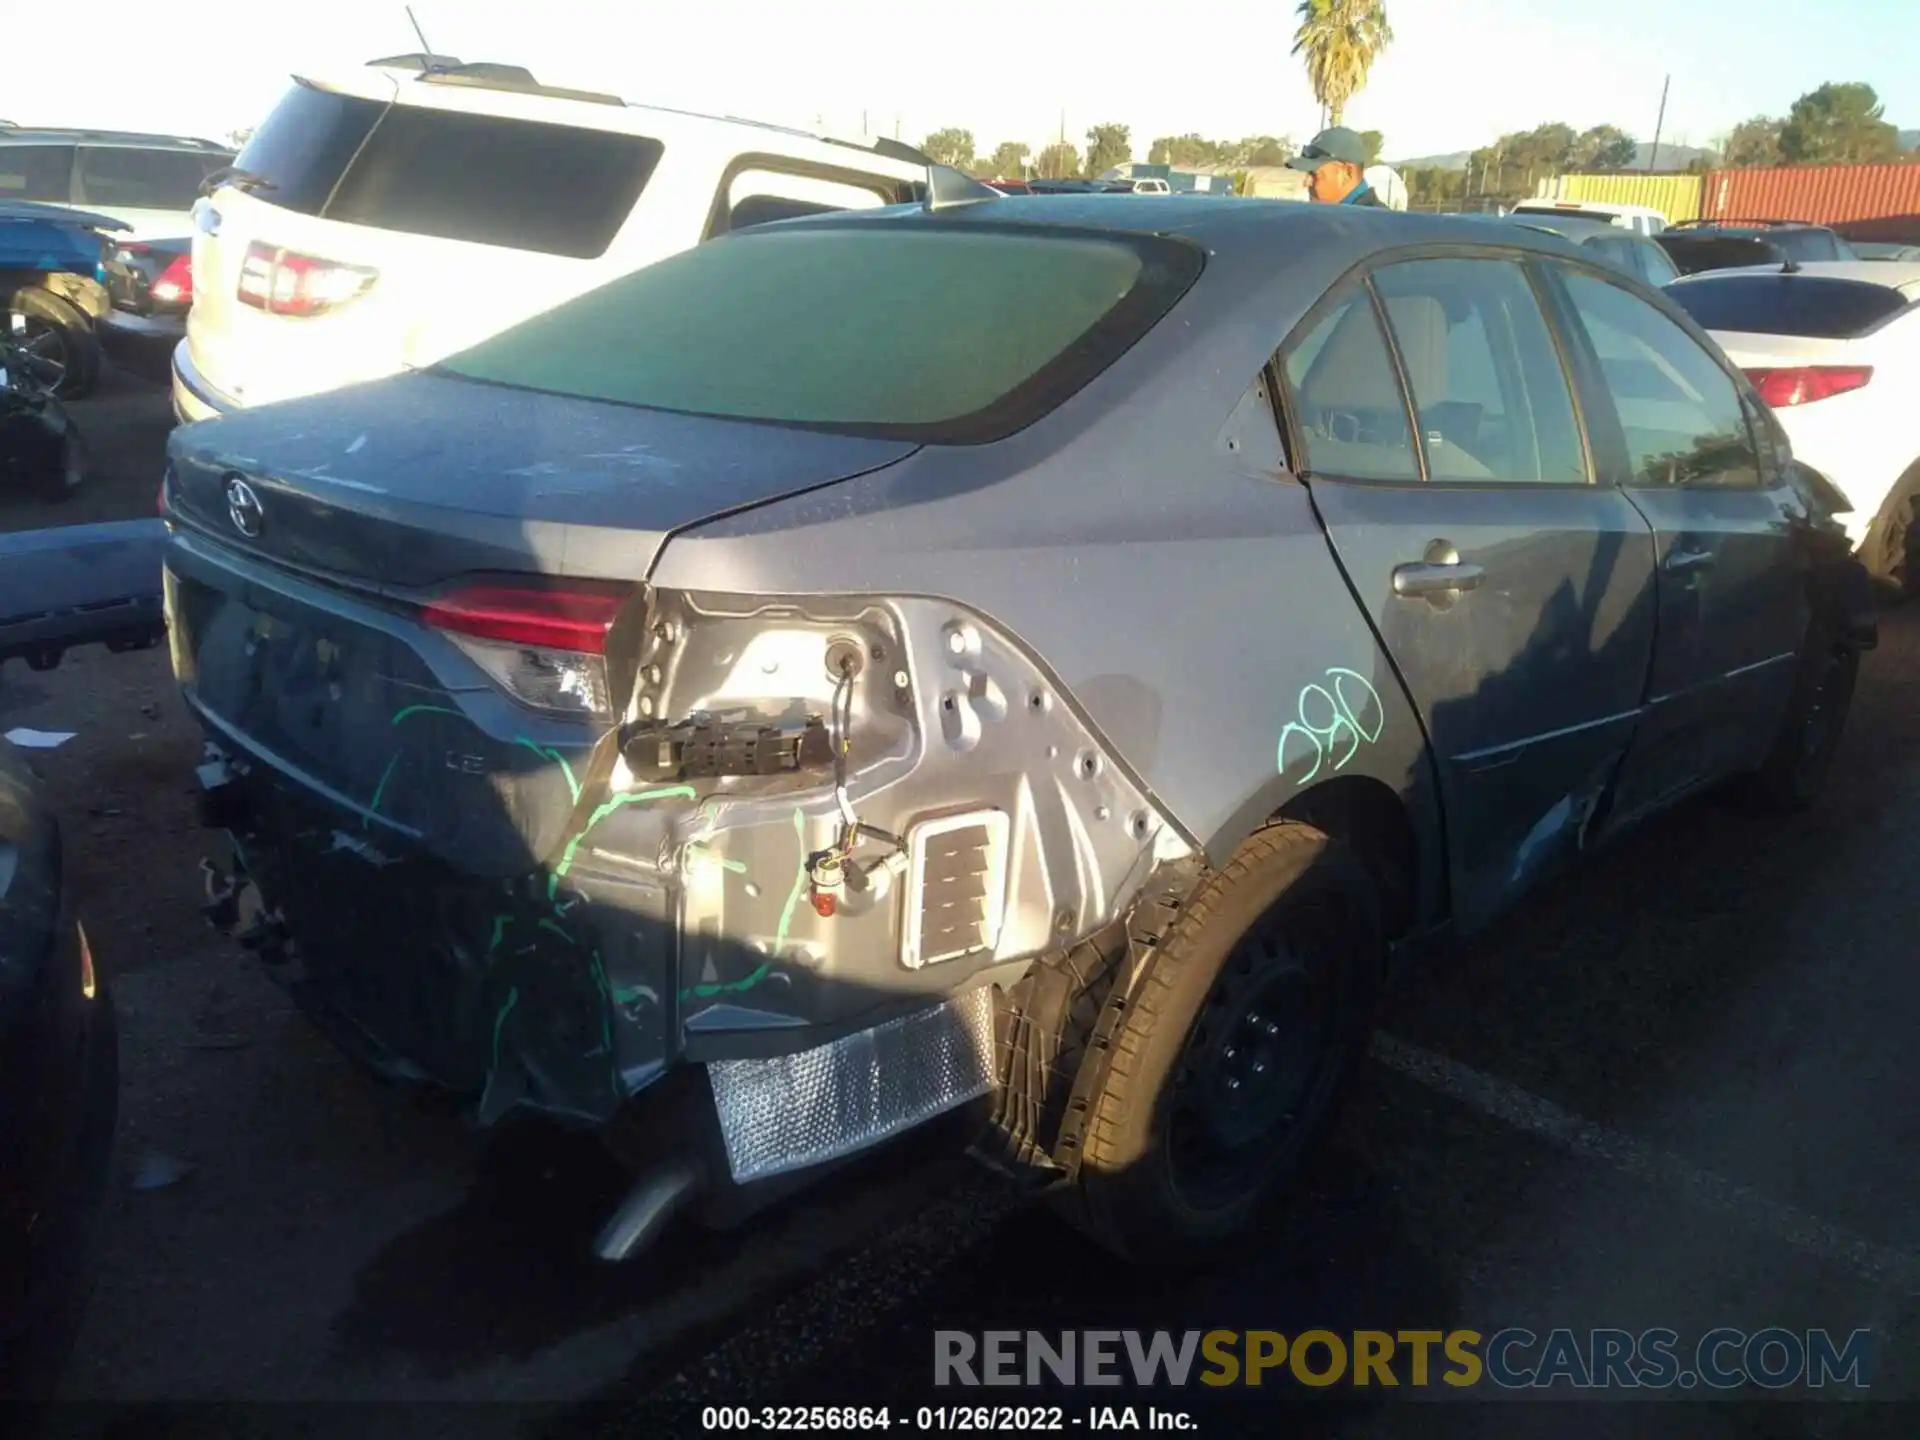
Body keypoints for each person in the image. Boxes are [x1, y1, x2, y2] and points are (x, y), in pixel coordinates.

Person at [1287, 127, 1386, 206]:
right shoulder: (1335, 219)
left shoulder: (1376, 227)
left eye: (1315, 175)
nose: (1306, 183)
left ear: (1347, 174)